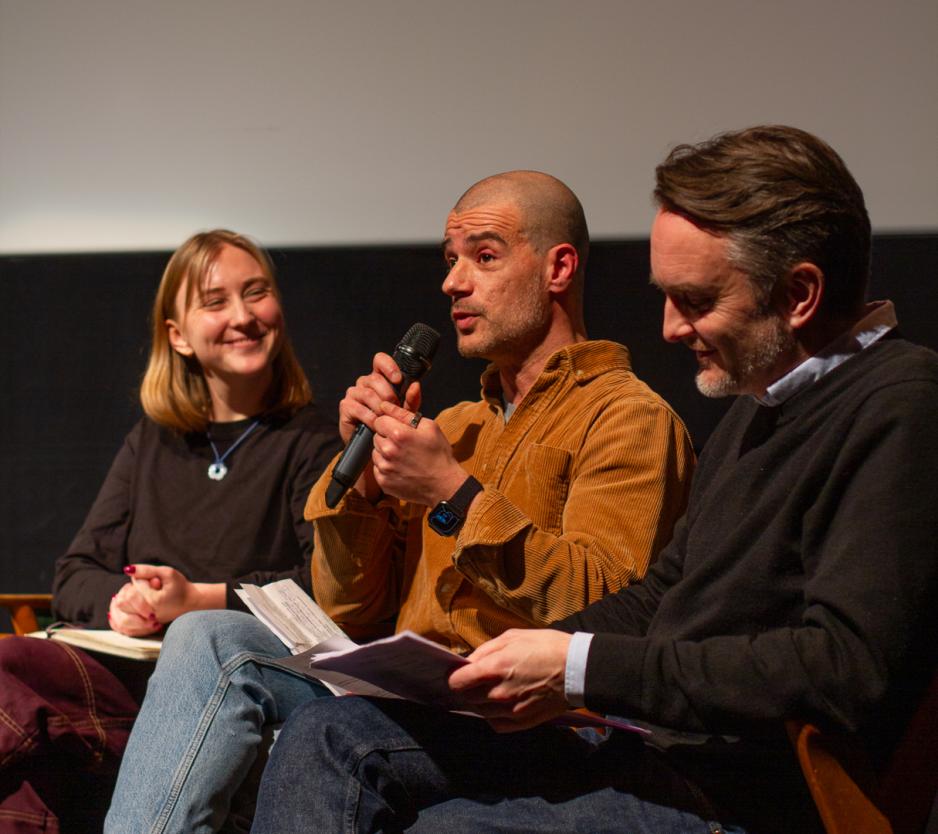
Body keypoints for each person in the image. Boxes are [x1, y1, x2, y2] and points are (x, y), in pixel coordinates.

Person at [248, 126, 938, 834]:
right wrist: (509, 661)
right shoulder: (757, 409)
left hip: (743, 794)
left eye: (696, 300)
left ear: (799, 294)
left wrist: (577, 666)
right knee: (330, 735)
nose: (669, 328)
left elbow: (841, 668)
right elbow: (663, 597)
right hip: (646, 747)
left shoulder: (900, 404)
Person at [105, 171, 695, 833]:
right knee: (208, 637)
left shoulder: (627, 418)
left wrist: (451, 493)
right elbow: (348, 610)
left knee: (334, 732)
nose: (453, 282)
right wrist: (361, 488)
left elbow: (606, 608)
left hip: (531, 716)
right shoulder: (458, 423)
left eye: (485, 256)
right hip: (414, 696)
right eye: (450, 261)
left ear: (558, 267)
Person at [0, 229, 340, 834]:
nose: (242, 316)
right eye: (215, 302)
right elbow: (74, 573)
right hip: (129, 673)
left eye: (256, 293)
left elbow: (325, 586)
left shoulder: (314, 440)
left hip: (229, 678)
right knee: (9, 673)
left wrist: (196, 599)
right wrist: (128, 601)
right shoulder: (153, 440)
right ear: (177, 336)